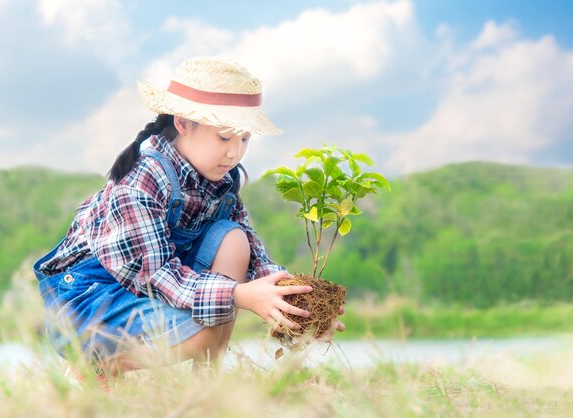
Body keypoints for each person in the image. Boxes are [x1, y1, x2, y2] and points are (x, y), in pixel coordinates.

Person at [33, 57, 344, 378]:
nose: (235, 153)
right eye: (225, 137)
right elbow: (157, 274)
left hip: (149, 291)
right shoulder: (142, 179)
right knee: (203, 334)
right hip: (89, 301)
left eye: (245, 139)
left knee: (234, 237)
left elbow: (256, 260)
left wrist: (295, 301)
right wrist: (239, 295)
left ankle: (203, 384)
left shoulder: (220, 182)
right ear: (183, 123)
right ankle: (94, 366)